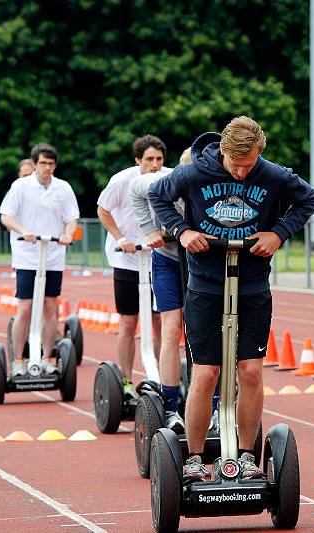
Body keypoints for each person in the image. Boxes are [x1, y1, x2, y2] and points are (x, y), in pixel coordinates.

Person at [148, 116, 314, 483]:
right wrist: (182, 230)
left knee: (251, 371)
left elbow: (308, 199)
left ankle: (246, 455)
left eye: (249, 164)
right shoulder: (194, 172)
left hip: (252, 282)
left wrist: (278, 233)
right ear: (223, 151)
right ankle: (194, 457)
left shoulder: (272, 174)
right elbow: (157, 195)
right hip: (206, 283)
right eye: (236, 165)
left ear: (259, 153)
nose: (241, 173)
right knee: (206, 372)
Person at [97, 135, 170, 399]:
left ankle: (164, 379)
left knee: (160, 320)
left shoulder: (169, 178)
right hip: (127, 258)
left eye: (159, 159)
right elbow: (103, 210)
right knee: (129, 321)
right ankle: (126, 381)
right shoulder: (122, 180)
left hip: (158, 257)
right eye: (149, 159)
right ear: (138, 159)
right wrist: (121, 238)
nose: (155, 164)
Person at [0, 143, 80, 376]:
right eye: (43, 163)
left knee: (51, 306)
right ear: (34, 164)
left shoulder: (63, 188)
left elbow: (71, 218)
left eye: (51, 164)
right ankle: (18, 359)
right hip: (27, 256)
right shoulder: (21, 186)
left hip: (53, 255)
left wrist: (68, 234)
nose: (47, 168)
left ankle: (47, 358)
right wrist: (23, 230)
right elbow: (6, 217)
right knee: (25, 307)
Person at [129, 145, 190, 432]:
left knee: (206, 332)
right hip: (167, 259)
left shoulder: (216, 186)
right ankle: (171, 407)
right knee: (171, 329)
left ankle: (216, 407)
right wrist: (149, 230)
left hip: (201, 261)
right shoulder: (160, 181)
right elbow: (134, 190)